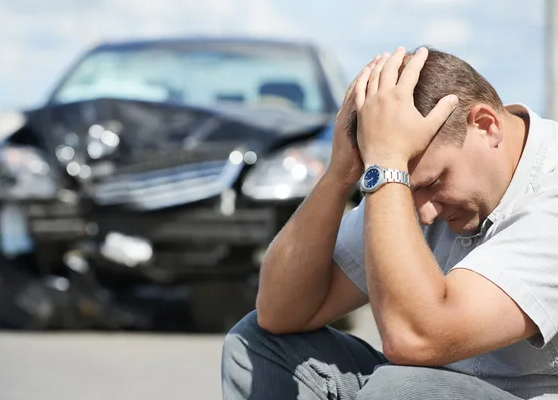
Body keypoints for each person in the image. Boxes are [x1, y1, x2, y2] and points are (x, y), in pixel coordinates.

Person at [221, 46, 558, 400]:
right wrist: (340, 174)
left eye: (433, 183)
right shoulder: (404, 181)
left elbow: (414, 339)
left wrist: (388, 167)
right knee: (256, 346)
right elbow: (280, 312)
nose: (424, 214)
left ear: (486, 126)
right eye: (407, 190)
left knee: (399, 389)